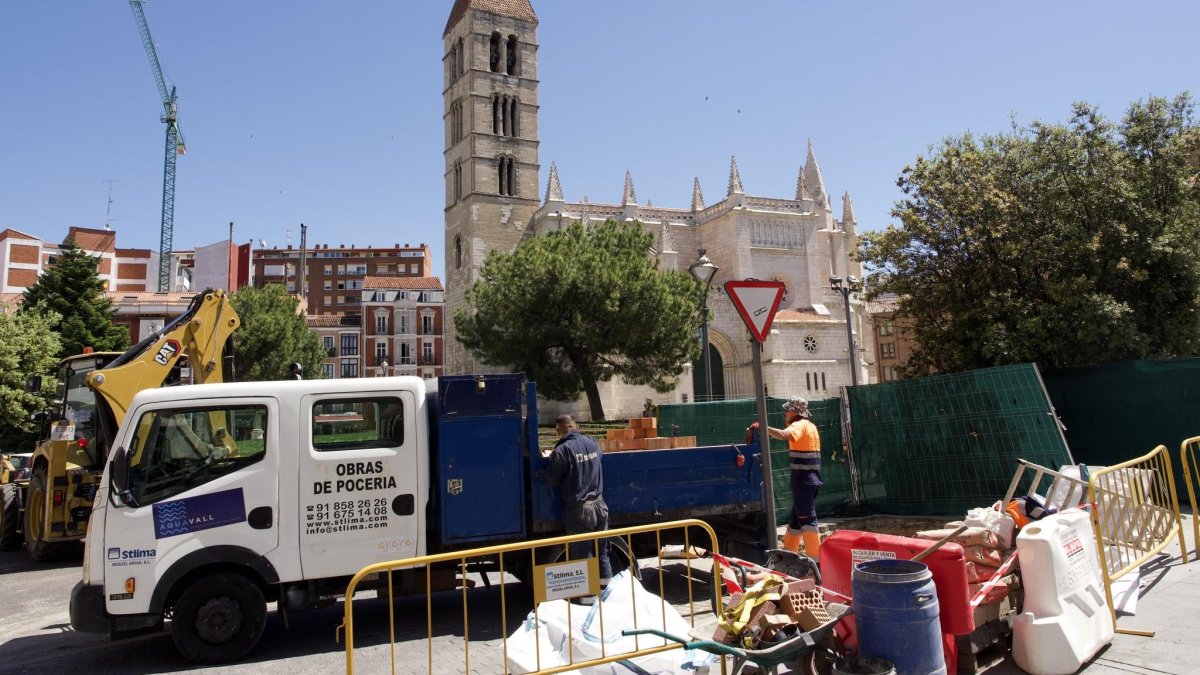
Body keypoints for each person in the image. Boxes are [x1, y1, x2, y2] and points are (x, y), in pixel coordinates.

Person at [544, 414, 612, 600]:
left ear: (560, 430)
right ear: (575, 426)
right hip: (600, 506)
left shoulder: (563, 450)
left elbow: (551, 480)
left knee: (584, 557)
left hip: (580, 510)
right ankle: (608, 596)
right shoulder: (592, 442)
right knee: (602, 553)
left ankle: (588, 602)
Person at [766, 397, 822, 558]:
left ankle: (817, 564)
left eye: (786, 411)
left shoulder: (798, 425)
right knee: (796, 521)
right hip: (811, 479)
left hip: (803, 481)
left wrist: (763, 427)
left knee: (807, 519)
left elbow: (784, 435)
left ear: (794, 412)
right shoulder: (811, 426)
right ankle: (787, 558)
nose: (785, 414)